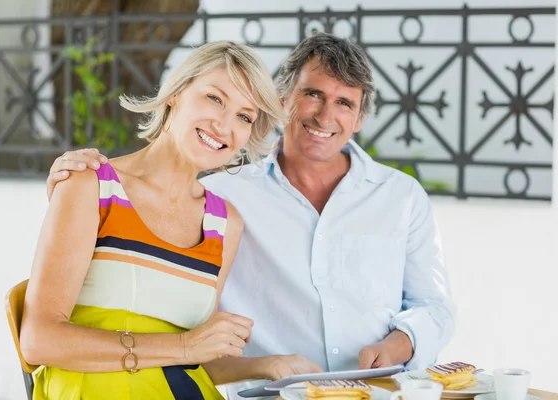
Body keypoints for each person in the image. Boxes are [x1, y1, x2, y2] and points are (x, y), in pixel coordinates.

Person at [45, 33, 456, 400]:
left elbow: (433, 305)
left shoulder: (399, 197)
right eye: (312, 94)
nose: (325, 116)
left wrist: (400, 343)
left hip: (376, 391)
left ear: (360, 118)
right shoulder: (224, 196)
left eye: (345, 103)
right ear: (281, 101)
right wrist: (75, 179)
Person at [20, 40, 323, 400]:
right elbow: (39, 340)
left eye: (244, 116)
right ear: (176, 93)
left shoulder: (225, 223)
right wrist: (184, 347)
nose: (225, 125)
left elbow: (194, 357)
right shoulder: (90, 185)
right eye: (215, 98)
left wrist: (270, 365)